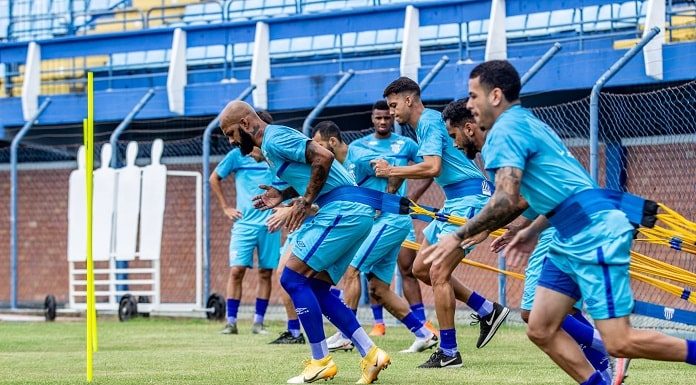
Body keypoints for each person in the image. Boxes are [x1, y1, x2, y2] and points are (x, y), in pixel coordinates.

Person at [424, 60, 696, 385]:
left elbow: (506, 197)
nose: (469, 104)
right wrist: (530, 230)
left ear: (494, 95)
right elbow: (547, 193)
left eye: (473, 96)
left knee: (620, 341)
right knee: (540, 326)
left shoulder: (503, 132)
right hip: (568, 233)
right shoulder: (524, 122)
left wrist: (457, 237)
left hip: (593, 230)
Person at [442, 98, 613, 384]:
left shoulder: (500, 144)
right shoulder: (511, 136)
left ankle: (611, 345)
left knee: (535, 316)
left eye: (453, 136)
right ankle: (606, 370)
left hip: (566, 225)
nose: (455, 144)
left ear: (469, 128)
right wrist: (522, 228)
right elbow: (534, 195)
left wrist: (473, 230)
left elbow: (515, 198)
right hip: (569, 221)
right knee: (555, 315)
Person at [218, 101, 390, 384]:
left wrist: (305, 200)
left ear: (247, 124)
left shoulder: (274, 138)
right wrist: (282, 193)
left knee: (292, 279)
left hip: (342, 211)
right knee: (316, 288)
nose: (231, 141)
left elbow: (323, 156)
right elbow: (311, 168)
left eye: (231, 133)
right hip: (351, 212)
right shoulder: (271, 147)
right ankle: (371, 355)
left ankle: (320, 361)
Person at [375, 77, 510, 368]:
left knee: (437, 272)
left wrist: (392, 170)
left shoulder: (429, 121)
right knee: (420, 268)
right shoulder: (423, 125)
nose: (392, 111)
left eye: (394, 104)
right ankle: (487, 309)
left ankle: (449, 351)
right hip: (453, 200)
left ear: (409, 100)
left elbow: (433, 166)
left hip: (470, 199)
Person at [310, 120, 438, 355]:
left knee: (352, 270)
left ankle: (345, 335)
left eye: (318, 145)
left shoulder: (357, 157)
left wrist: (386, 198)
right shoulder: (336, 166)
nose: (315, 151)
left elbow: (391, 171)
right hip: (388, 223)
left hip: (389, 220)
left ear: (333, 142)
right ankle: (424, 334)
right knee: (378, 288)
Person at [210, 111, 283, 335]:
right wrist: (225, 207)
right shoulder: (237, 155)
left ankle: (258, 323)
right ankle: (231, 322)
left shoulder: (275, 155)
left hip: (270, 221)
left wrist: (283, 206)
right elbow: (214, 178)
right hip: (245, 223)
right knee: (236, 271)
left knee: (265, 273)